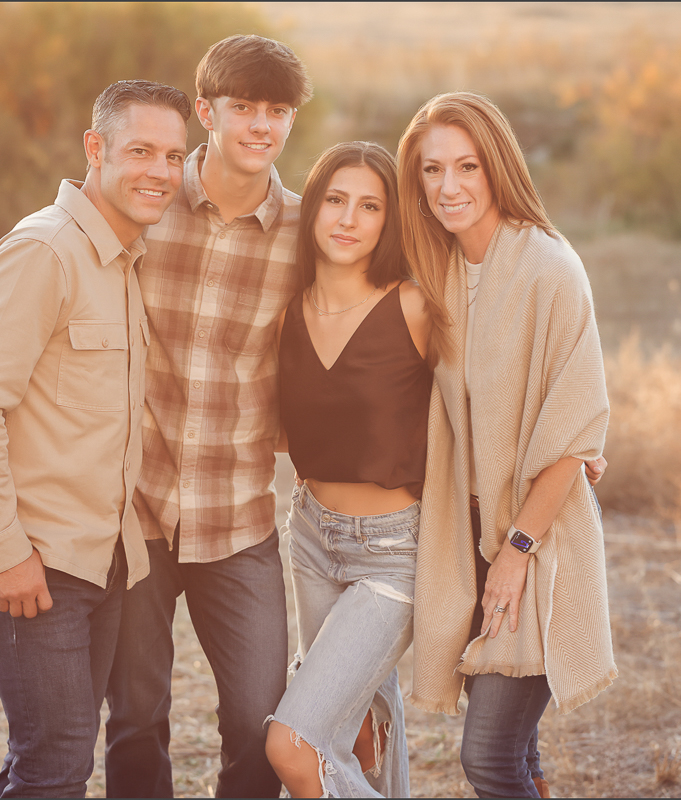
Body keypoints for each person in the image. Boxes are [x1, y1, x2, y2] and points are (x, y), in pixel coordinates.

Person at [0, 80, 190, 798]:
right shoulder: (44, 252)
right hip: (39, 568)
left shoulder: (120, 259)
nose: (160, 172)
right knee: (54, 767)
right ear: (95, 148)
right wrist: (6, 551)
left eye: (173, 156)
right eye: (140, 150)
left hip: (103, 560)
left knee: (51, 760)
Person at [103, 35, 312, 798]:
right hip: (139, 515)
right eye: (243, 107)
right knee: (133, 715)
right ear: (205, 111)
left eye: (278, 111)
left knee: (261, 721)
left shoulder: (305, 231)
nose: (260, 125)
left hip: (239, 519)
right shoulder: (146, 200)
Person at [397, 91, 615, 799]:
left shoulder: (551, 269)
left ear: (498, 169)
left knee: (489, 758)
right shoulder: (432, 273)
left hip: (535, 541)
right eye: (432, 170)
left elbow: (574, 434)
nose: (449, 188)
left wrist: (516, 552)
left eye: (467, 167)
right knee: (521, 759)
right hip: (461, 537)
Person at [263, 141, 431, 798]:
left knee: (295, 743)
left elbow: (487, 402)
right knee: (353, 730)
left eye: (370, 206)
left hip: (393, 554)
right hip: (309, 537)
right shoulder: (286, 315)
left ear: (390, 222)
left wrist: (569, 445)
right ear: (312, 209)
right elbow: (284, 431)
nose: (348, 218)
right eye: (335, 200)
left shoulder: (414, 308)